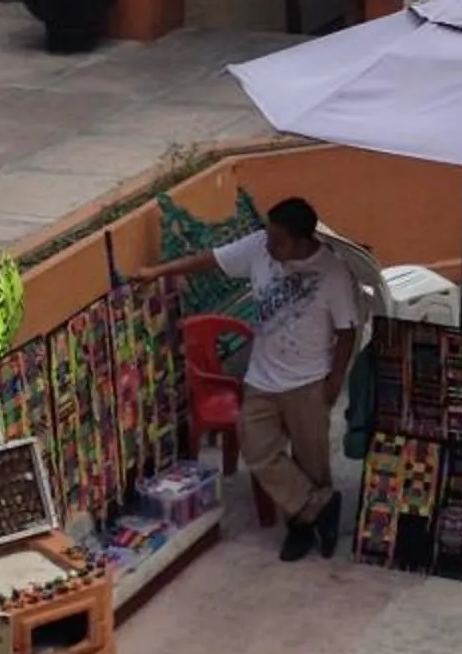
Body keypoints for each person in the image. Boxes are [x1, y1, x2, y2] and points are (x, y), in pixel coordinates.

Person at [139, 198, 357, 561]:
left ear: (302, 240)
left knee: (312, 463)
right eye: (268, 237)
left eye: (278, 240)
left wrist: (335, 379)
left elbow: (347, 331)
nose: (269, 246)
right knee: (257, 449)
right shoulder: (259, 247)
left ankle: (302, 527)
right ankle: (319, 507)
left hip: (308, 382)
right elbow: (212, 259)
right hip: (262, 379)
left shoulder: (334, 274)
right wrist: (158, 272)